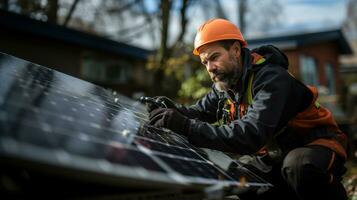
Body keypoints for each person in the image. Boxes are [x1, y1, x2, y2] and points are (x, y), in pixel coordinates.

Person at [146, 18, 348, 200]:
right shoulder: (226, 86)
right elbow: (197, 112)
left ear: (235, 50)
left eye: (215, 57)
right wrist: (170, 109)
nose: (210, 67)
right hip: (275, 155)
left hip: (317, 144)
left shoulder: (271, 78)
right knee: (238, 179)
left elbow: (250, 135)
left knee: (299, 167)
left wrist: (187, 127)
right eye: (205, 62)